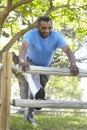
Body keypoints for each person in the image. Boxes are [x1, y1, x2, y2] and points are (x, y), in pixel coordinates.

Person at [19, 16, 79, 125]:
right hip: (30, 64)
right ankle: (33, 110)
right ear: (38, 28)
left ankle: (29, 117)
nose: (47, 31)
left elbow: (68, 50)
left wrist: (73, 64)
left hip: (46, 67)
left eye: (49, 28)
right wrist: (22, 61)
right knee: (35, 85)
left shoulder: (56, 36)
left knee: (35, 93)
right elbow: (23, 48)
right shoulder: (31, 34)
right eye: (43, 28)